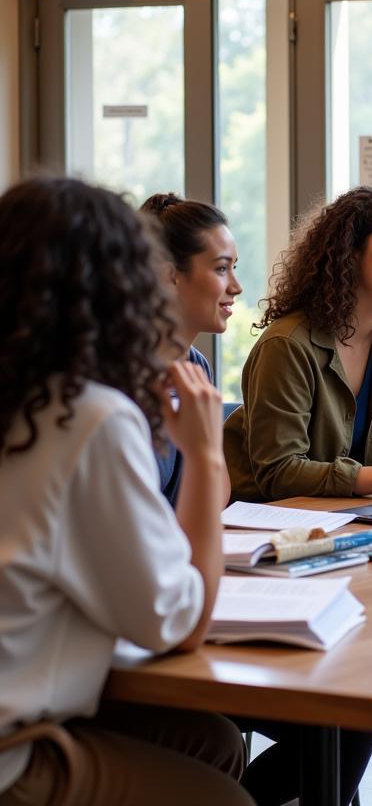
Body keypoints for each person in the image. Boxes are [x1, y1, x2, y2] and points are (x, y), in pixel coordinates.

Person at [0, 177, 252, 806]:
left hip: (44, 692)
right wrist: (202, 450)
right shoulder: (86, 415)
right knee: (228, 799)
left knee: (215, 743)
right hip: (15, 744)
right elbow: (180, 626)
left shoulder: (24, 400)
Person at [224, 185, 372, 806]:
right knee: (365, 700)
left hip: (344, 550)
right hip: (273, 556)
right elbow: (279, 472)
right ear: (349, 253)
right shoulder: (289, 344)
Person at [141, 192, 242, 505]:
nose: (236, 287)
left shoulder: (196, 367)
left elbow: (216, 497)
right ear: (168, 276)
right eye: (222, 269)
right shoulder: (120, 373)